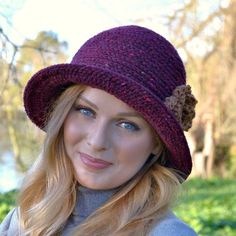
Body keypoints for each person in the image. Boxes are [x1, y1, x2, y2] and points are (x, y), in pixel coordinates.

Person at [0, 25, 198, 236]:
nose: (97, 141)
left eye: (127, 125)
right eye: (86, 111)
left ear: (157, 144)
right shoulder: (23, 220)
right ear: (63, 115)